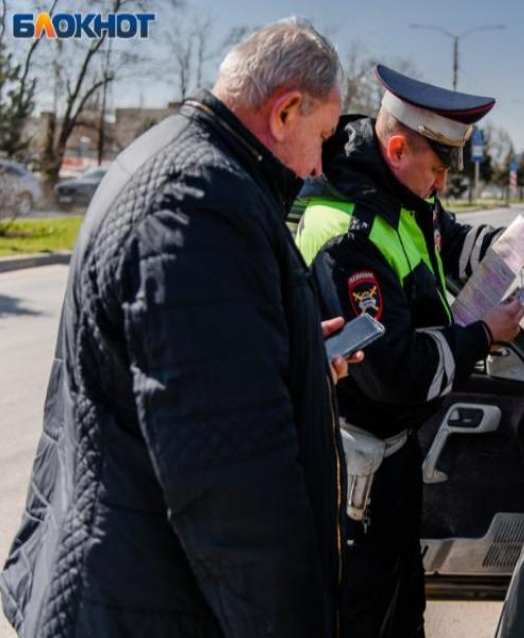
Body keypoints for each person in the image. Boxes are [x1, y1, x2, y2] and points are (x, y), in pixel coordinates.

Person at [1, 19, 353, 638]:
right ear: (286, 110)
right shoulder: (202, 201)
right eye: (322, 136)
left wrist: (290, 359)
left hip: (125, 584)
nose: (318, 164)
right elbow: (235, 493)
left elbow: (188, 375)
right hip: (143, 604)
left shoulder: (178, 157)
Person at [295, 65, 524, 637]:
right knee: (363, 615)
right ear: (396, 147)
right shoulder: (347, 234)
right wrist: (485, 335)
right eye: (436, 170)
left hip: (394, 455)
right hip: (354, 468)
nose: (440, 186)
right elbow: (396, 372)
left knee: (403, 602)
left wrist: (513, 246)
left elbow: (447, 239)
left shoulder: (399, 192)